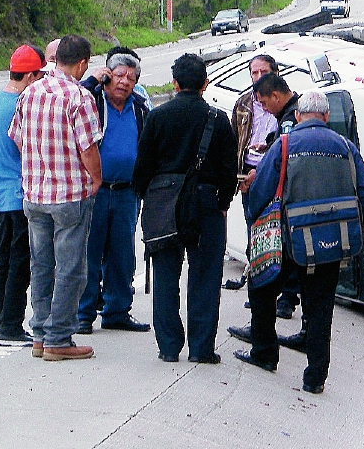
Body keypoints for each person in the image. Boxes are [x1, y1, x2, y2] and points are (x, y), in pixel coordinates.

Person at [235, 90, 364, 394]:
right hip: (330, 242)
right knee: (320, 308)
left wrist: (254, 216)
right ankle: (315, 378)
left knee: (262, 288)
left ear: (299, 116)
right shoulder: (345, 146)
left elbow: (261, 190)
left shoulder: (284, 144)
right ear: (325, 116)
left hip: (288, 240)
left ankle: (264, 353)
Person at [131, 53, 237, 364]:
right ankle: (202, 348)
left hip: (164, 204)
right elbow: (230, 169)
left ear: (175, 84)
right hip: (206, 203)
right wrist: (223, 202)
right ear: (206, 83)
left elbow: (142, 169)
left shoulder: (157, 117)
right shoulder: (218, 120)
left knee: (165, 275)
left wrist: (149, 200)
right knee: (205, 276)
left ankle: (168, 346)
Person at [8, 34, 103, 361]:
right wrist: (96, 178)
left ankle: (40, 334)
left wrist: (40, 164)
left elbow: (17, 138)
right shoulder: (80, 97)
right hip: (69, 196)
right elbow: (88, 147)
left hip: (35, 195)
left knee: (42, 264)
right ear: (82, 63)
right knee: (70, 267)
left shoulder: (30, 92)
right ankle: (59, 339)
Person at [76, 47, 151, 334]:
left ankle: (117, 310)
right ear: (108, 76)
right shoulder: (92, 100)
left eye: (131, 78)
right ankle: (83, 314)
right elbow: (74, 96)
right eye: (119, 75)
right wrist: (93, 81)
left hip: (127, 192)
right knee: (89, 253)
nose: (124, 82)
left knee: (122, 254)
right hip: (94, 190)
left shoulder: (140, 108)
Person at [0, 44, 46, 346]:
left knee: (3, 258)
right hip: (21, 192)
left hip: (0, 191)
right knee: (21, 262)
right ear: (30, 76)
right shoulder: (20, 106)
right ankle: (11, 326)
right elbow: (27, 150)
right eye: (39, 76)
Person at [224, 55, 280, 292]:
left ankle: (284, 294)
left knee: (278, 230)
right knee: (253, 227)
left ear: (275, 73)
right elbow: (234, 140)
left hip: (274, 171)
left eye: (263, 72)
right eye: (254, 73)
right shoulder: (244, 103)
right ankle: (256, 283)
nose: (258, 78)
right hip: (248, 172)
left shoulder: (284, 102)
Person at [252, 71, 302, 319]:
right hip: (291, 191)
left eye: (264, 103)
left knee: (289, 247)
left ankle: (288, 298)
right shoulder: (291, 111)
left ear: (275, 95)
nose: (264, 108)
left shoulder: (292, 116)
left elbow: (286, 152)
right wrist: (269, 142)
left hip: (292, 193)